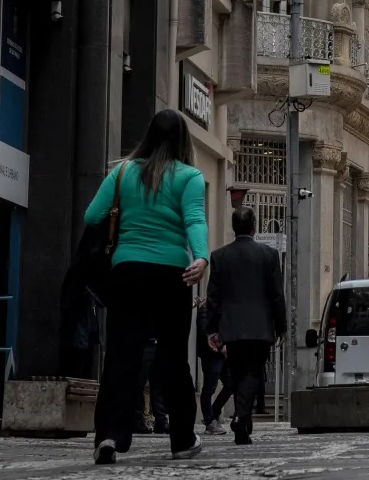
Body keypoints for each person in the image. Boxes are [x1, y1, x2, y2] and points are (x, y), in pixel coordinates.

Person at [84, 109, 209, 464]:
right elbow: (194, 220)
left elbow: (92, 216)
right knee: (173, 358)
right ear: (183, 140)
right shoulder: (190, 176)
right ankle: (182, 439)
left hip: (127, 272)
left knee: (122, 355)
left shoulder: (122, 172)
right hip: (172, 274)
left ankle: (109, 435)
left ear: (149, 135)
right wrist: (201, 257)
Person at [203, 204, 286, 445]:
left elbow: (213, 296)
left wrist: (212, 328)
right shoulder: (269, 255)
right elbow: (276, 294)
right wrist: (280, 325)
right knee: (253, 373)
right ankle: (241, 417)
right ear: (254, 227)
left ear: (234, 227)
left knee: (239, 373)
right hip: (260, 327)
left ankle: (244, 426)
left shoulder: (220, 256)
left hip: (231, 327)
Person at [194, 304, 230, 435]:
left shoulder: (225, 308)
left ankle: (213, 412)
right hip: (211, 355)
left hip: (222, 355)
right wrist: (221, 345)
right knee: (209, 388)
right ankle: (209, 421)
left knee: (231, 384)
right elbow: (205, 333)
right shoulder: (205, 310)